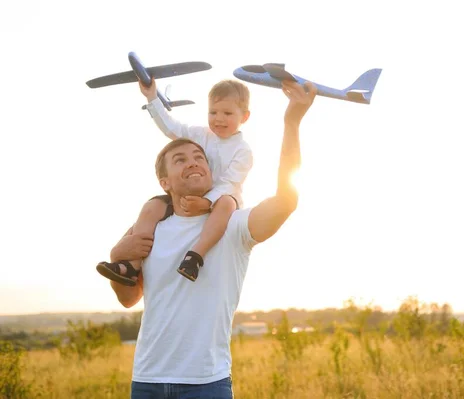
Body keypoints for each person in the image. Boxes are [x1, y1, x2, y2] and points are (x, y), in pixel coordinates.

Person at [107, 80, 317, 398]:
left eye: (199, 157)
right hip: (146, 380)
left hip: (206, 384)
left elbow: (287, 199)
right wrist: (116, 256)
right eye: (180, 159)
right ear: (165, 182)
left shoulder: (232, 225)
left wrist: (292, 122)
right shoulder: (150, 226)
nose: (193, 161)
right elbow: (127, 298)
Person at [96, 78, 253, 285]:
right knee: (153, 206)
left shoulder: (243, 151)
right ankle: (132, 266)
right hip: (189, 196)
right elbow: (171, 128)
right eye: (213, 112)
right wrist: (152, 97)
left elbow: (229, 184)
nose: (218, 119)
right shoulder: (200, 134)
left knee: (227, 201)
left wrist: (207, 202)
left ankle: (195, 256)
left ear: (245, 116)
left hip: (221, 204)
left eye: (227, 113)